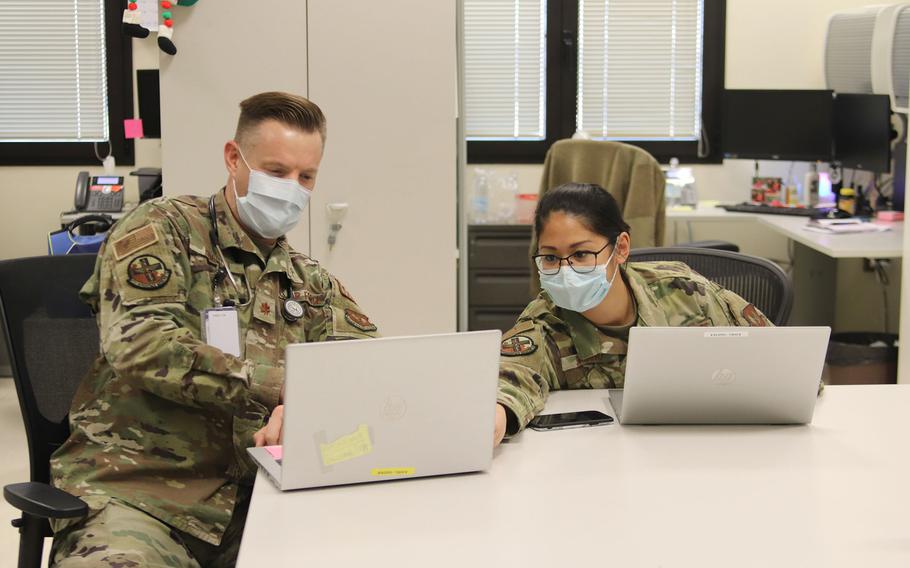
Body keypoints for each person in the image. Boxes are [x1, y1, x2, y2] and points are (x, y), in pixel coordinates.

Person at [49, 92, 380, 567]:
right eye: (276, 171)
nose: (292, 187)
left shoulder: (309, 282)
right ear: (233, 158)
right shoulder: (165, 230)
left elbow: (367, 366)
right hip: (143, 496)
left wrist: (316, 405)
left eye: (305, 177)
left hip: (262, 500)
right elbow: (141, 342)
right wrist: (280, 386)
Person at [493, 182, 772, 446]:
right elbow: (511, 378)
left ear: (621, 248)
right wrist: (498, 413)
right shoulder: (543, 323)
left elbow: (777, 355)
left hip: (705, 449)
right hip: (596, 464)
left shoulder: (685, 293)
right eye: (551, 258)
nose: (566, 270)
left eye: (581, 254)